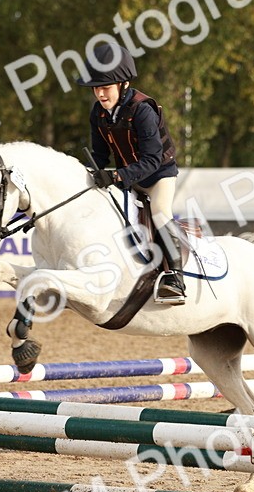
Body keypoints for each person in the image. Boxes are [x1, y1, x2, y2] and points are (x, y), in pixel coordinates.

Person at [76, 43, 186, 304]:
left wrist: (115, 177)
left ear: (123, 84)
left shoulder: (142, 110)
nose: (100, 94)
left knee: (159, 212)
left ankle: (176, 278)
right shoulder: (99, 113)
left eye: (105, 87)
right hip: (129, 177)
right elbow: (101, 155)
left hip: (158, 175)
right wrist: (92, 173)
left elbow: (151, 159)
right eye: (96, 88)